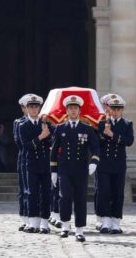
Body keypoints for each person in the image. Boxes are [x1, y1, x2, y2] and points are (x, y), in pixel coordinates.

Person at [50, 95, 100, 242]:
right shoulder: (60, 128)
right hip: (64, 170)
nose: (73, 111)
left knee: (80, 199)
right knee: (64, 197)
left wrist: (94, 162)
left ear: (79, 111)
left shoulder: (87, 128)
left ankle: (80, 230)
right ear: (66, 111)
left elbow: (96, 147)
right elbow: (54, 151)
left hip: (81, 170)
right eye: (70, 108)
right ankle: (65, 227)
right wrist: (53, 171)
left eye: (75, 108)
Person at [96, 96, 134, 234]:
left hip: (118, 164)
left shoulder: (127, 124)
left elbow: (129, 141)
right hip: (104, 164)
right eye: (113, 109)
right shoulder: (102, 124)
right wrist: (104, 133)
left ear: (122, 110)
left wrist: (112, 135)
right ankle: (105, 221)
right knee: (104, 192)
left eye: (119, 109)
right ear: (109, 109)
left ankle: (116, 221)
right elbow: (97, 143)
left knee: (118, 193)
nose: (116, 111)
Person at [19, 94, 53, 234]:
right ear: (26, 109)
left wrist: (47, 135)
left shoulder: (46, 124)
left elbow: (52, 142)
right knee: (31, 193)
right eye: (31, 107)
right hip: (31, 163)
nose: (34, 109)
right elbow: (25, 146)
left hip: (45, 163)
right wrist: (40, 137)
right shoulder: (23, 125)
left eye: (36, 107)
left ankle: (44, 223)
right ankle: (33, 222)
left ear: (40, 108)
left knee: (46, 193)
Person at [13, 95, 30, 230]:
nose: (29, 109)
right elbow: (19, 143)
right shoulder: (19, 123)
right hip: (24, 158)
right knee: (24, 189)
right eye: (26, 107)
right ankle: (25, 216)